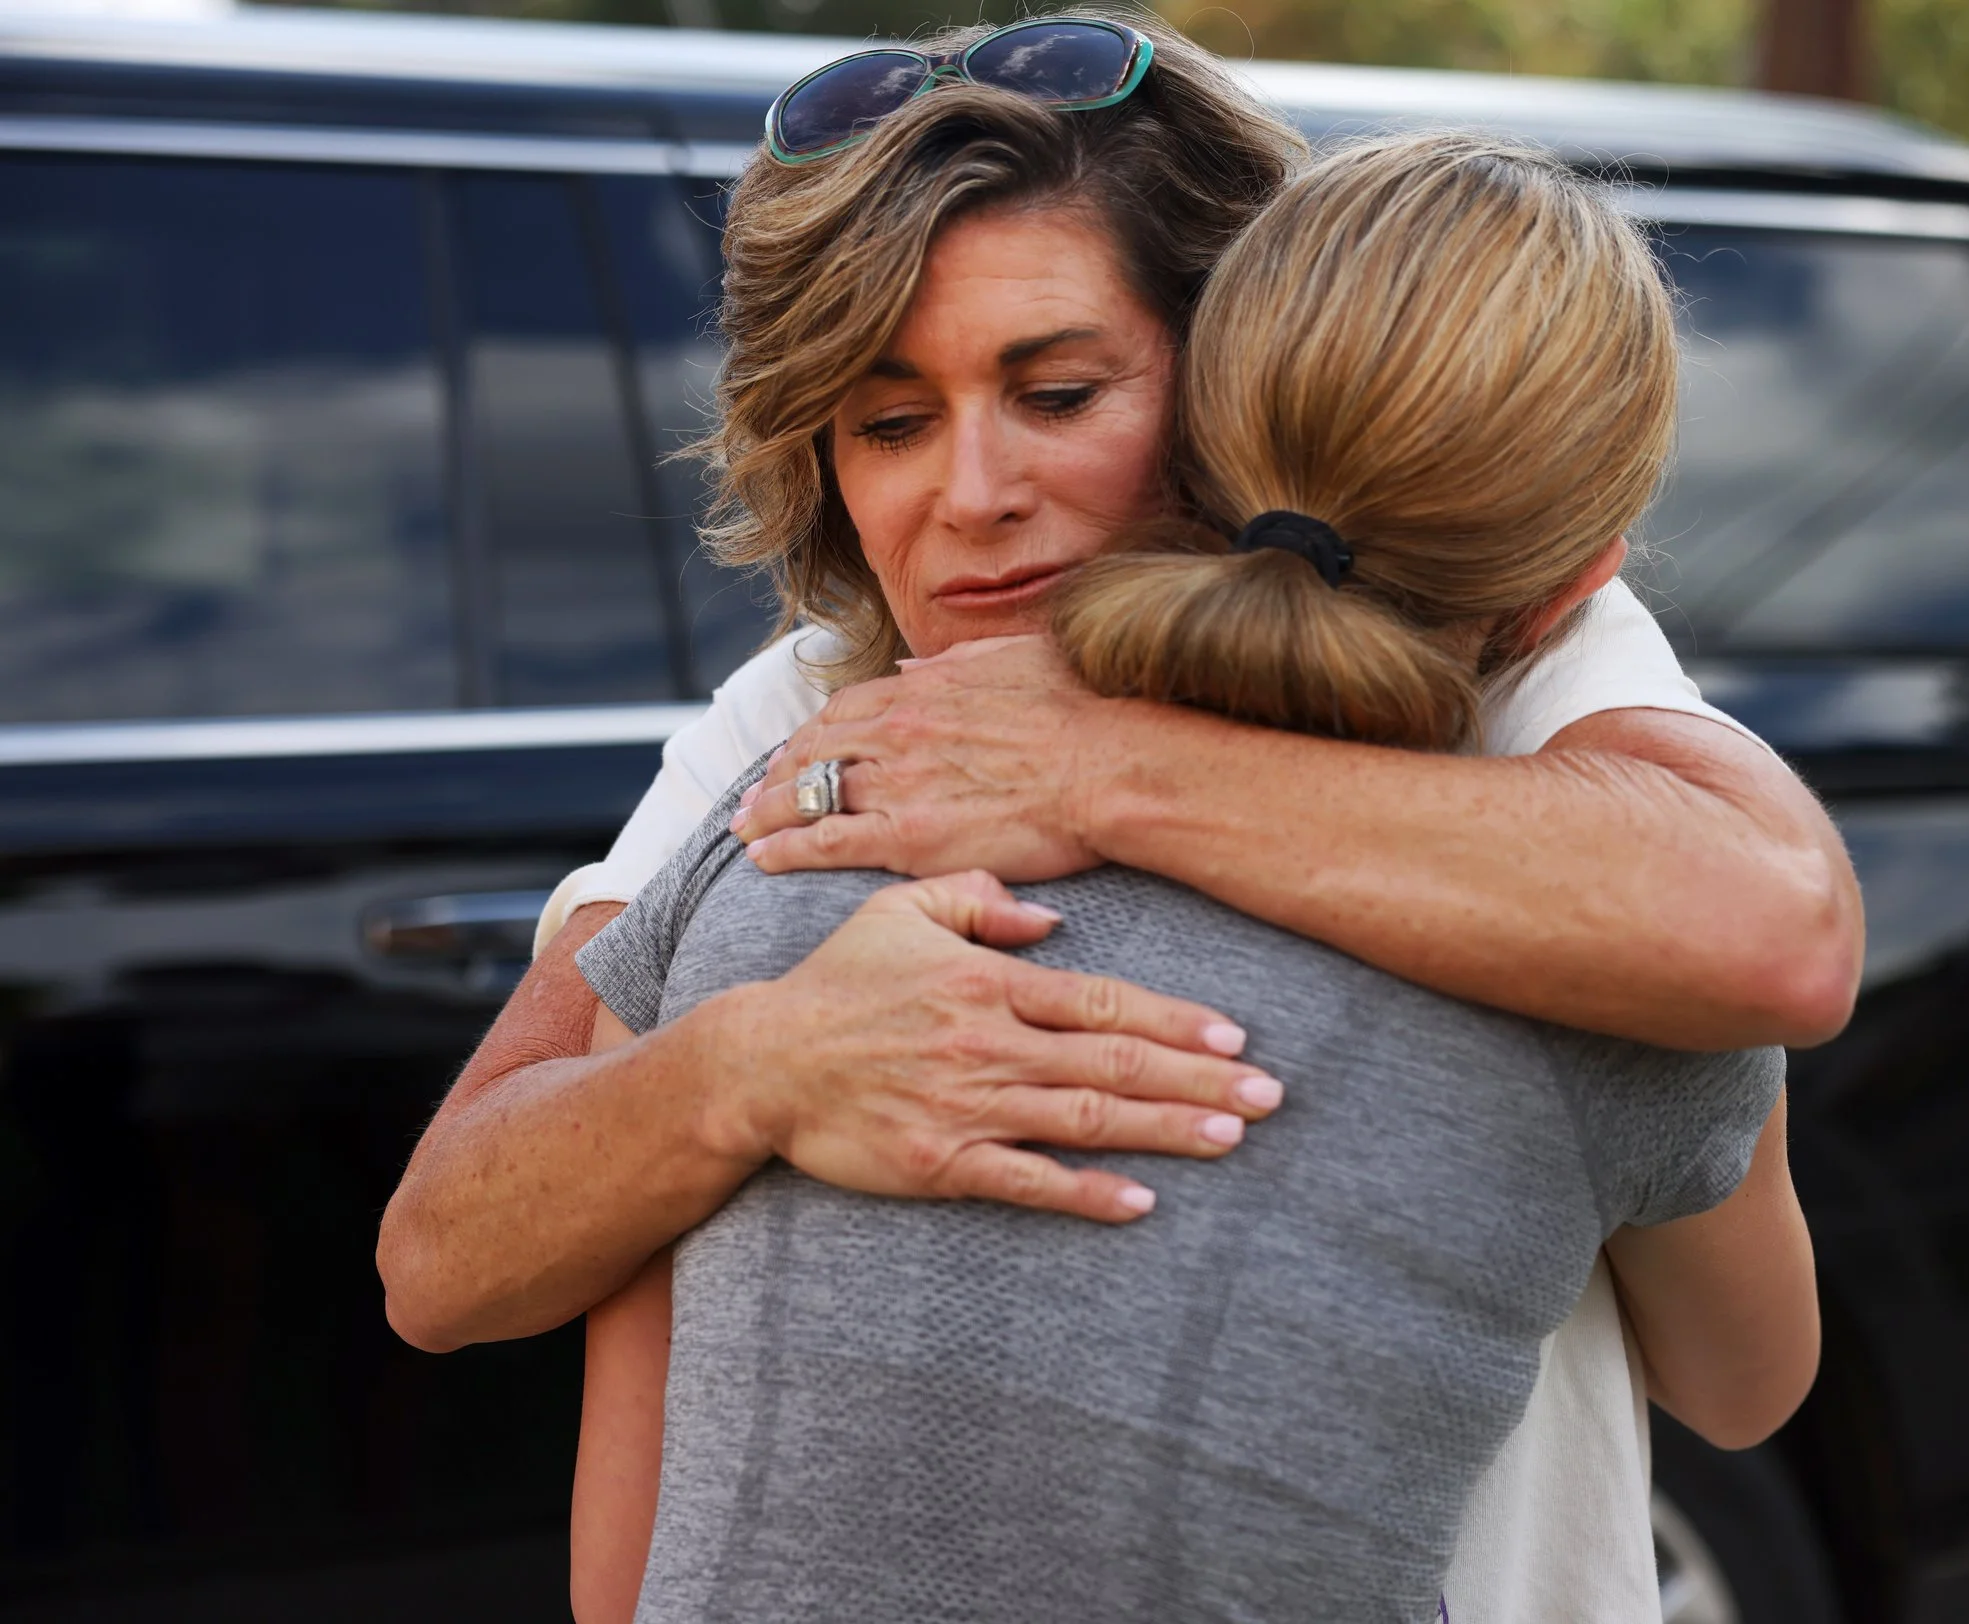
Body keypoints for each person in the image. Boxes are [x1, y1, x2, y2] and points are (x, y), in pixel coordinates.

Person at [372, 15, 1862, 1623]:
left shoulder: (1512, 636)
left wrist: (1097, 766)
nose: (972, 494)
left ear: (1236, 367)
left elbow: (1774, 928)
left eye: (1061, 392)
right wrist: (753, 1067)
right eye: (888, 423)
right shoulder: (809, 721)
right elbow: (442, 1260)